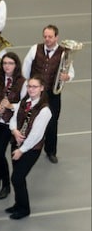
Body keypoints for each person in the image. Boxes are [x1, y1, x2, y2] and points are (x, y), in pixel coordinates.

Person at [22, 24, 74, 164]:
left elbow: (71, 72)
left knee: (52, 122)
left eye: (50, 37)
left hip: (53, 93)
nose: (47, 39)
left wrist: (66, 77)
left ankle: (50, 151)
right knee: (31, 119)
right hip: (35, 93)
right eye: (45, 36)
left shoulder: (64, 53)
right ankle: (28, 146)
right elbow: (26, 68)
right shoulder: (35, 49)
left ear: (56, 37)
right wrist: (28, 87)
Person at [6, 75, 51, 220]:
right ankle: (18, 204)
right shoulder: (24, 102)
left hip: (30, 150)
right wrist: (14, 131)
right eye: (29, 86)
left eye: (35, 87)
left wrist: (21, 150)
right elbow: (13, 119)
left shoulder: (44, 111)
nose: (31, 89)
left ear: (42, 88)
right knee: (19, 178)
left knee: (17, 178)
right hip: (17, 142)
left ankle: (24, 209)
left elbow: (36, 135)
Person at [0, 52, 27, 200]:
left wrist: (10, 105)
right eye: (4, 63)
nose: (7, 66)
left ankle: (6, 185)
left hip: (9, 124)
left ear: (16, 65)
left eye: (10, 63)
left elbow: (24, 106)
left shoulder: (23, 82)